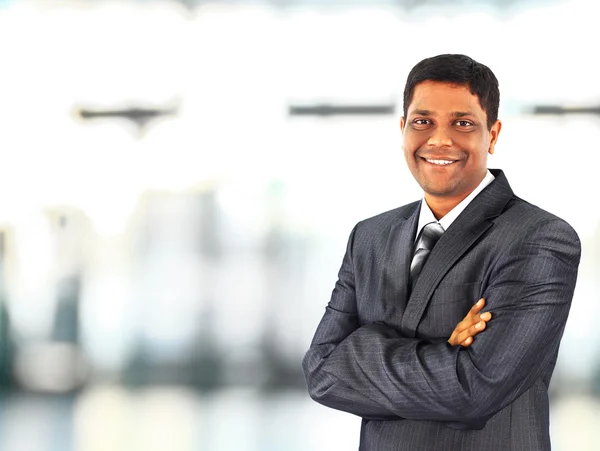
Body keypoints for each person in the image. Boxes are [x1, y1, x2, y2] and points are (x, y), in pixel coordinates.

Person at [302, 54, 581, 451]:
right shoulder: (369, 236)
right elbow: (321, 373)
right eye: (423, 122)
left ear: (493, 134)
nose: (439, 140)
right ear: (403, 129)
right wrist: (443, 352)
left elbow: (473, 391)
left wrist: (361, 350)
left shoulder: (539, 238)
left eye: (462, 123)